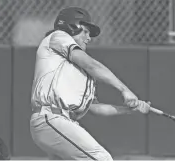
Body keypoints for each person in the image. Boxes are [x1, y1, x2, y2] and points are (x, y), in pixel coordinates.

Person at [29, 6, 151, 161]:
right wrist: (124, 89)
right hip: (51, 118)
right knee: (101, 158)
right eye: (85, 31)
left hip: (63, 123)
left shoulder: (78, 73)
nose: (89, 38)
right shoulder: (59, 36)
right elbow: (92, 65)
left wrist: (129, 109)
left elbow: (96, 108)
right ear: (71, 27)